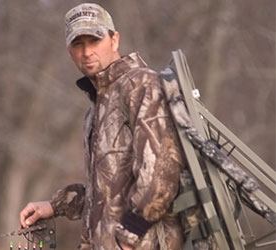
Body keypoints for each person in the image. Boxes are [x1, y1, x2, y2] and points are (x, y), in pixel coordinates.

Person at [20, 3, 184, 249]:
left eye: (94, 40)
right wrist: (55, 206)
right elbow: (108, 192)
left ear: (114, 40)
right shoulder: (96, 108)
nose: (86, 52)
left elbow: (162, 176)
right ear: (69, 51)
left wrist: (128, 238)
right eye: (78, 44)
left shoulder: (141, 85)